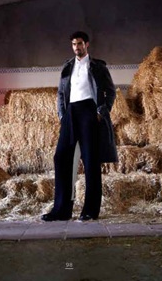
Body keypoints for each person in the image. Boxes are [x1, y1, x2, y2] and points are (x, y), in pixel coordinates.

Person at [42, 31, 118, 222]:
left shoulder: (98, 66)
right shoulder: (67, 67)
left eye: (80, 44)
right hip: (70, 113)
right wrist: (62, 114)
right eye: (74, 44)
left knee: (91, 161)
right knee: (61, 158)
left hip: (89, 111)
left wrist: (102, 111)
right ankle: (61, 210)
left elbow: (111, 91)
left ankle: (90, 211)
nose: (77, 47)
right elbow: (61, 93)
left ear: (87, 44)